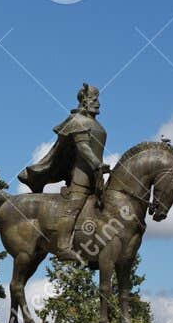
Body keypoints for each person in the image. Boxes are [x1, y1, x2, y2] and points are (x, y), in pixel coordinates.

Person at [18, 83, 109, 260]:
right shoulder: (77, 122)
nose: (98, 103)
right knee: (73, 208)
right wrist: (98, 164)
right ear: (84, 101)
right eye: (94, 99)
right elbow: (83, 148)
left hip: (97, 177)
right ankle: (63, 246)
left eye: (98, 99)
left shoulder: (98, 126)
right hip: (81, 177)